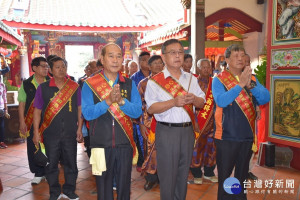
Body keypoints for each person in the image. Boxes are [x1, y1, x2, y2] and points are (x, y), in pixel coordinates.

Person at [145, 39, 205, 200]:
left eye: (180, 52)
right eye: (173, 52)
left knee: (183, 173)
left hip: (187, 131)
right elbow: (151, 108)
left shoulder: (191, 79)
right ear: (163, 57)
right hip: (167, 131)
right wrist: (173, 102)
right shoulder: (154, 82)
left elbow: (202, 101)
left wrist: (193, 99)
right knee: (167, 175)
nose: (178, 56)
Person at [81, 43, 142, 200]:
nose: (115, 60)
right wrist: (107, 101)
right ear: (102, 59)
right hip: (100, 145)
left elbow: (137, 111)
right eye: (111, 56)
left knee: (124, 188)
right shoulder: (90, 84)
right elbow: (87, 114)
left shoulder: (128, 84)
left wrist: (121, 102)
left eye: (119, 56)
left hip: (124, 144)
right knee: (103, 189)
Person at [212, 44, 270, 200]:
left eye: (242, 55)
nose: (240, 59)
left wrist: (250, 86)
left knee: (242, 177)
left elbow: (265, 97)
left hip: (246, 136)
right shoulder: (219, 80)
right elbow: (221, 101)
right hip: (226, 137)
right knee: (225, 176)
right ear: (227, 59)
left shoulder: (251, 78)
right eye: (236, 56)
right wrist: (240, 85)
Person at [33, 56, 83, 200]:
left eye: (63, 67)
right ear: (51, 70)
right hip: (50, 134)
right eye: (57, 67)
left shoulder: (74, 87)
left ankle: (69, 190)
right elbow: (37, 111)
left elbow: (80, 108)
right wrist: (36, 133)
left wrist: (79, 128)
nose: (61, 70)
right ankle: (54, 193)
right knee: (51, 165)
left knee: (71, 164)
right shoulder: (43, 88)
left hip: (69, 133)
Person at [18, 57, 49, 184]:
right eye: (43, 66)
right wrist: (22, 122)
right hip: (31, 122)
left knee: (49, 146)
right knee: (33, 146)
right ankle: (37, 172)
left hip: (48, 121)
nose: (46, 69)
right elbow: (22, 105)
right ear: (35, 68)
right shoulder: (27, 84)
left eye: (47, 66)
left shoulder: (51, 82)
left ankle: (48, 171)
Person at [138, 55, 164, 191]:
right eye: (155, 63)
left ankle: (163, 177)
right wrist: (141, 124)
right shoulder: (143, 83)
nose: (158, 65)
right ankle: (151, 178)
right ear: (149, 66)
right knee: (150, 151)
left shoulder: (169, 82)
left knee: (165, 150)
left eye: (160, 63)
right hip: (149, 122)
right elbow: (139, 106)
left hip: (166, 121)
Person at [190, 59, 218, 184]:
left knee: (211, 149)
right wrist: (194, 122)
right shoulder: (193, 83)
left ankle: (209, 172)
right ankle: (196, 174)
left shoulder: (215, 83)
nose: (206, 69)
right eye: (204, 67)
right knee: (196, 148)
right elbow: (190, 105)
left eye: (208, 67)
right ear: (198, 69)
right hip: (198, 122)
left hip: (213, 123)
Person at [130, 51, 150, 172]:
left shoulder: (157, 75)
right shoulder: (134, 78)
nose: (147, 62)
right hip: (140, 115)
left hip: (156, 114)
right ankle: (143, 163)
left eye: (149, 59)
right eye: (144, 60)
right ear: (140, 62)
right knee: (141, 140)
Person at [243, 54, 261, 181]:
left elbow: (256, 95)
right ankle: (239, 170)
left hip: (251, 116)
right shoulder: (232, 79)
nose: (247, 64)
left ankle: (247, 170)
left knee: (251, 143)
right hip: (238, 118)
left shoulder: (253, 78)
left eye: (248, 62)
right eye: (244, 62)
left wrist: (258, 107)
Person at [0, 76, 9, 149]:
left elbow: (4, 97)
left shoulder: (2, 85)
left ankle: (1, 142)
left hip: (1, 108)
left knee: (1, 126)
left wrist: (6, 110)